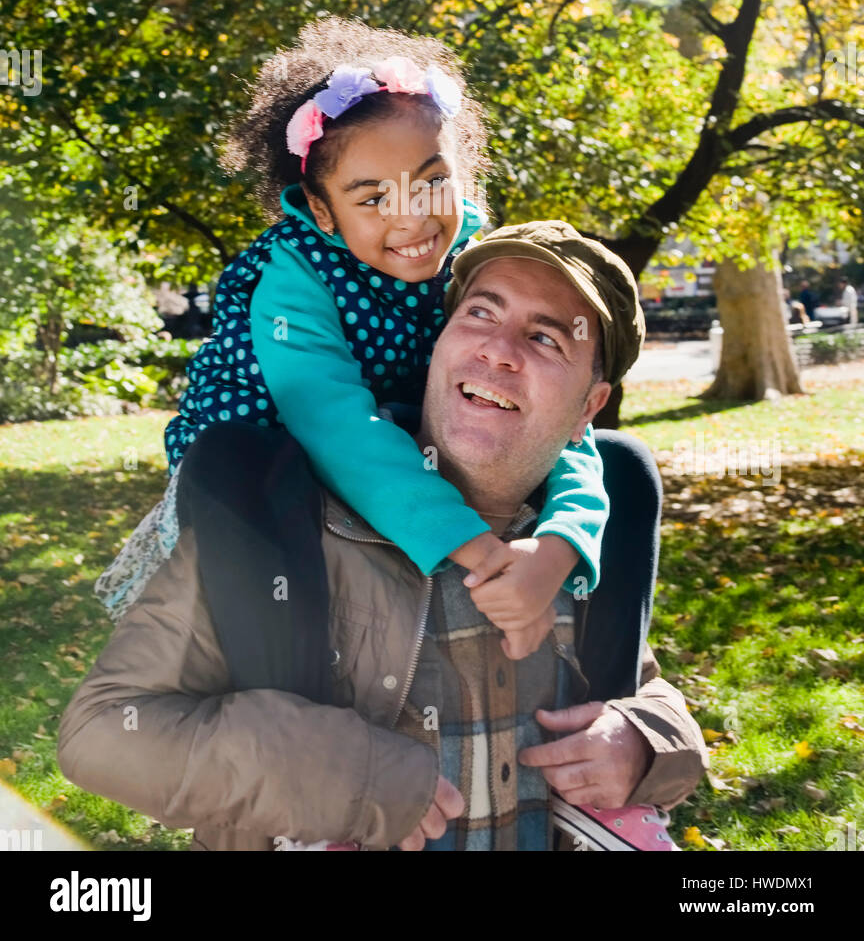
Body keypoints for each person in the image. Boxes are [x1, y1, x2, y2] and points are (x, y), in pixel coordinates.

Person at [59, 222, 707, 852]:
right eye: (481, 314)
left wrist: (645, 743)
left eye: (544, 338)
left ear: (590, 408)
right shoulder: (279, 528)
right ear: (440, 342)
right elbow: (102, 733)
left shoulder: (577, 551)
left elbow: (646, 691)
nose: (499, 350)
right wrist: (321, 771)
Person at [94, 18, 610, 663]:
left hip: (393, 442)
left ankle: (593, 688)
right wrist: (480, 551)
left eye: (432, 180)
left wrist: (560, 548)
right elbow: (335, 425)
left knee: (622, 466)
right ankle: (289, 693)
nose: (413, 216)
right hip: (266, 470)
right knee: (262, 517)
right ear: (320, 208)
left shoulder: (477, 259)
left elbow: (571, 421)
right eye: (371, 198)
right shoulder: (296, 275)